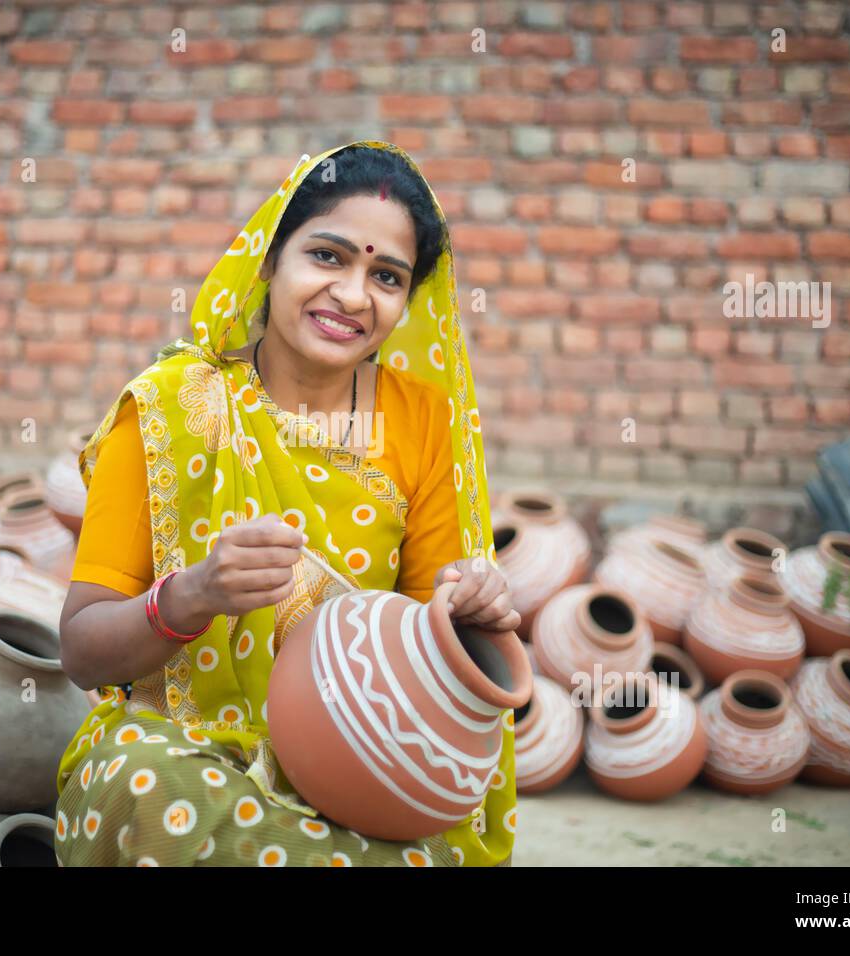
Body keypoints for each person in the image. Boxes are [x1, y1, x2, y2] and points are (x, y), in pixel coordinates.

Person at [54, 140, 521, 867]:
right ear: (269, 259)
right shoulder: (171, 408)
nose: (354, 296)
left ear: (408, 300)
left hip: (364, 759)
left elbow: (439, 633)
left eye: (387, 276)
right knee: (144, 791)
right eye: (328, 257)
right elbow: (82, 650)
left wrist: (475, 611)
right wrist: (192, 595)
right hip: (189, 750)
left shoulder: (426, 421)